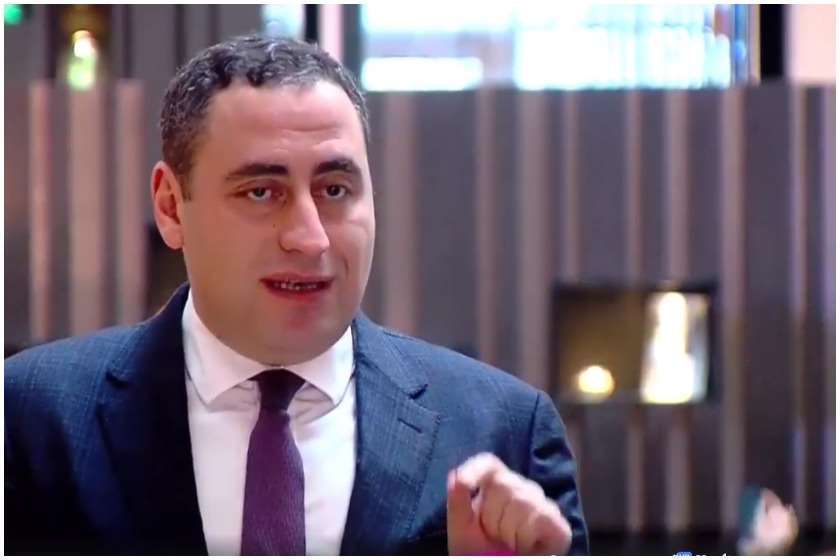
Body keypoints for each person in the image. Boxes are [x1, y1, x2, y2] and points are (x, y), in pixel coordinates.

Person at [5, 35, 588, 555]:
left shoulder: (504, 431)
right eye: (262, 192)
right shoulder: (28, 420)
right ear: (171, 207)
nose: (310, 238)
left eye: (335, 189)